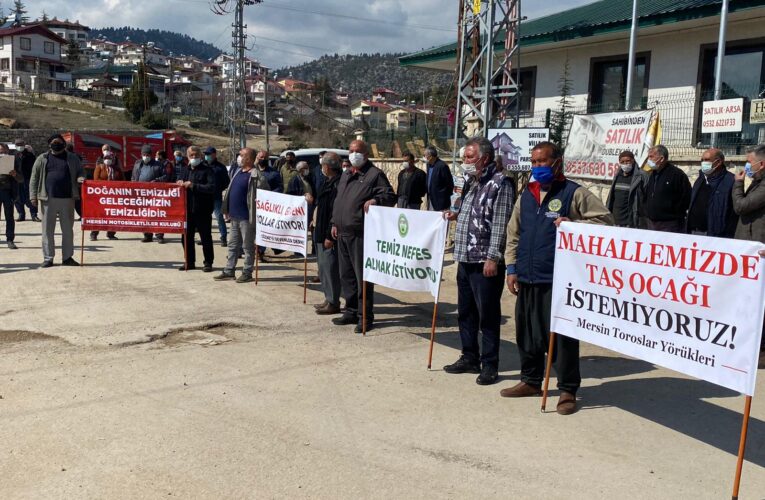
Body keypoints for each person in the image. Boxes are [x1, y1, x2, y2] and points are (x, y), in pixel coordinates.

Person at [502, 141, 613, 415]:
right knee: (527, 333)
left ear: (557, 162)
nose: (538, 167)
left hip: (558, 279)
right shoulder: (526, 194)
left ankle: (567, 390)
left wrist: (574, 225)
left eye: (543, 162)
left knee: (561, 337)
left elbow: (606, 222)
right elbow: (513, 233)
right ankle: (530, 380)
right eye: (534, 162)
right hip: (527, 276)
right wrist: (511, 268)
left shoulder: (574, 193)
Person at [441, 137, 514, 386]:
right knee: (466, 312)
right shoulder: (470, 182)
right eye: (465, 157)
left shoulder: (501, 184)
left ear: (484, 158)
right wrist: (455, 214)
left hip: (485, 261)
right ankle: (469, 356)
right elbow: (470, 213)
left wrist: (493, 257)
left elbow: (501, 224)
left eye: (470, 157)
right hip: (465, 256)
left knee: (488, 315)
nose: (465, 162)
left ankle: (490, 364)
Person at [331, 139, 396, 333]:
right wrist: (334, 223)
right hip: (342, 233)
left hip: (361, 234)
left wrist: (376, 199)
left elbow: (390, 196)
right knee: (346, 276)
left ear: (366, 154)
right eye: (350, 151)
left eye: (357, 151)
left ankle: (365, 316)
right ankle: (350, 311)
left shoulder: (374, 174)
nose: (353, 154)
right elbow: (339, 201)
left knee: (363, 278)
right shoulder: (346, 174)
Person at [29, 134, 85, 267]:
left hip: (68, 199)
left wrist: (80, 178)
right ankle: (48, 258)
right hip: (48, 199)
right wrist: (33, 196)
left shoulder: (72, 158)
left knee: (67, 230)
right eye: (54, 142)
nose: (57, 144)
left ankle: (67, 258)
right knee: (47, 230)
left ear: (64, 144)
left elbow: (81, 172)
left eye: (59, 142)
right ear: (49, 144)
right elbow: (34, 178)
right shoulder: (42, 158)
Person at [215, 148, 269, 283]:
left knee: (247, 247)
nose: (239, 157)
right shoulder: (238, 172)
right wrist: (226, 209)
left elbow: (266, 196)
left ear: (250, 159)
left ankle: (247, 272)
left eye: (242, 155)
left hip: (247, 218)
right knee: (232, 245)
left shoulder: (257, 176)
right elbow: (230, 192)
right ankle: (229, 270)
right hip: (234, 216)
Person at [732, 144, 765, 365]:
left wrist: (737, 184)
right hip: (750, 249)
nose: (747, 166)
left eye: (749, 162)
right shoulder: (758, 182)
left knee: (760, 304)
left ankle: (760, 352)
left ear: (761, 164)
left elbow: (741, 206)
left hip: (759, 250)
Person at [177, 145, 216, 272]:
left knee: (205, 237)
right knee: (186, 238)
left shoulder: (207, 170)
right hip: (187, 210)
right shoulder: (184, 170)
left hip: (203, 209)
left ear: (200, 156)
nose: (194, 157)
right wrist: (178, 184)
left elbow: (211, 187)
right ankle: (189, 261)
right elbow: (177, 182)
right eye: (191, 155)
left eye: (196, 155)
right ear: (187, 157)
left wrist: (193, 185)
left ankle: (208, 262)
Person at [314, 152, 342, 315]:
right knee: (323, 268)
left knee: (330, 268)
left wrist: (329, 236)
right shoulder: (327, 181)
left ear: (327, 166)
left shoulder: (338, 184)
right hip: (319, 229)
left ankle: (333, 301)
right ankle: (328, 297)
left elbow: (335, 212)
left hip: (328, 233)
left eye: (323, 165)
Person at [686, 148, 737, 238]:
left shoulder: (731, 181)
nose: (703, 163)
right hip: (693, 232)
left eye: (706, 160)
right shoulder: (700, 179)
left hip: (715, 236)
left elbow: (734, 211)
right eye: (702, 160)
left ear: (718, 162)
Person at [642, 144, 691, 232]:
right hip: (651, 222)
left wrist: (673, 213)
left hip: (669, 224)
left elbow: (686, 197)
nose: (648, 160)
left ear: (661, 158)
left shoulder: (677, 175)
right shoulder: (652, 174)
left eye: (651, 157)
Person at [132, 144, 168, 244]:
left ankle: (159, 235)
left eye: (147, 154)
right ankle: (147, 235)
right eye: (144, 154)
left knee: (157, 214)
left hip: (155, 194)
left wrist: (157, 181)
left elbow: (165, 176)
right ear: (141, 154)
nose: (146, 156)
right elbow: (134, 177)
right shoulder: (138, 164)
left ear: (151, 155)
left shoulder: (158, 164)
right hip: (142, 194)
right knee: (144, 215)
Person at [605, 151, 647, 228]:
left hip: (631, 220)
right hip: (615, 220)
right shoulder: (617, 175)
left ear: (633, 160)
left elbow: (646, 197)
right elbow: (612, 196)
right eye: (622, 162)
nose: (625, 164)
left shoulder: (641, 176)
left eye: (628, 161)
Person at [254, 149, 283, 262]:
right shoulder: (251, 171)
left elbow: (279, 188)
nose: (262, 160)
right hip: (251, 205)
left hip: (267, 207)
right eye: (260, 157)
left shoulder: (274, 173)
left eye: (264, 158)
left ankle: (260, 252)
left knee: (264, 229)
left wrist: (268, 195)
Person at [90, 155, 124, 241]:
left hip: (114, 197)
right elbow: (96, 180)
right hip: (101, 196)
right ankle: (94, 234)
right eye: (106, 159)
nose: (108, 160)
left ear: (112, 160)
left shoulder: (117, 169)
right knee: (99, 215)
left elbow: (123, 181)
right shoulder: (99, 167)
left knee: (113, 215)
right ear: (103, 160)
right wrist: (108, 184)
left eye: (109, 159)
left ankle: (111, 234)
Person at [205, 147, 231, 247]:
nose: (207, 156)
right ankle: (206, 238)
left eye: (209, 154)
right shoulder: (202, 165)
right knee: (206, 219)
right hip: (204, 196)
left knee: (219, 217)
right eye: (206, 154)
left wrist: (218, 188)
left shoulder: (220, 167)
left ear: (214, 154)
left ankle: (223, 237)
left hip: (216, 197)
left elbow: (226, 182)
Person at [0, 144, 22, 249]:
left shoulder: (14, 162)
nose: (2, 153)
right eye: (0, 151)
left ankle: (10, 240)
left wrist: (15, 174)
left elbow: (21, 179)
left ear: (8, 151)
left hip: (8, 193)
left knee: (9, 217)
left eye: (3, 151)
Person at [13, 139, 38, 222]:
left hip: (28, 179)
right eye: (18, 145)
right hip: (16, 179)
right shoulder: (13, 156)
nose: (19, 146)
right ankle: (21, 214)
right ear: (15, 146)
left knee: (30, 197)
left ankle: (34, 215)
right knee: (17, 198)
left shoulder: (30, 155)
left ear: (24, 144)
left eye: (21, 144)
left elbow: (34, 168)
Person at [424, 146, 454, 212]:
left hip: (441, 202)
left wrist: (443, 197)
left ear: (431, 156)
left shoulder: (442, 166)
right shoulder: (429, 165)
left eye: (425, 155)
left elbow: (449, 184)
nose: (424, 157)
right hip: (431, 198)